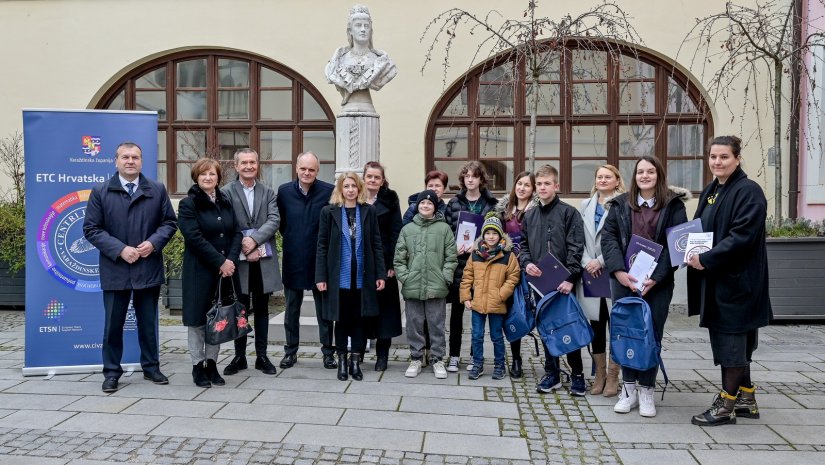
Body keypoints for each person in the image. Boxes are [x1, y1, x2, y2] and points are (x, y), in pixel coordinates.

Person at [687, 136, 771, 426]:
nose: (717, 162)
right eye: (713, 157)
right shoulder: (712, 190)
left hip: (739, 284)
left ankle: (726, 407)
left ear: (737, 159)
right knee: (730, 343)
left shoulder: (749, 191)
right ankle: (747, 398)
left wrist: (705, 258)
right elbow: (699, 229)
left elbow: (741, 238)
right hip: (717, 283)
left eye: (724, 157)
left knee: (733, 346)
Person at [84, 142, 177, 393]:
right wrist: (120, 250)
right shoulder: (101, 191)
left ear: (141, 161)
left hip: (148, 267)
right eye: (125, 157)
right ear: (115, 161)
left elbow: (169, 222)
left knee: (148, 323)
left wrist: (153, 243)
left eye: (135, 157)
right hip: (116, 269)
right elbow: (91, 229)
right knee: (113, 324)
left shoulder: (156, 190)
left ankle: (151, 367)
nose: (130, 161)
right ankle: (112, 372)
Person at [601, 155, 688, 417]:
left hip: (657, 284)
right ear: (634, 176)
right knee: (627, 332)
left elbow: (678, 244)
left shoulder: (673, 206)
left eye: (650, 171)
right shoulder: (619, 205)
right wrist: (618, 271)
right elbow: (608, 239)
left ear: (659, 175)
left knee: (651, 335)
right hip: (624, 281)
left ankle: (646, 390)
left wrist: (658, 277)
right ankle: (628, 390)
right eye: (640, 172)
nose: (645, 176)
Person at [518, 165, 586, 396]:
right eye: (539, 184)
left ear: (556, 186)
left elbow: (576, 247)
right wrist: (526, 263)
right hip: (540, 281)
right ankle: (552, 373)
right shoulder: (530, 215)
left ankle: (577, 374)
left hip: (564, 283)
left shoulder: (569, 213)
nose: (543, 187)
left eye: (547, 183)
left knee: (569, 325)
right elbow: (524, 245)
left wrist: (571, 278)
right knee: (547, 327)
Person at [178, 158, 242, 388]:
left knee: (218, 319)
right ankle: (197, 366)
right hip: (199, 272)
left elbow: (236, 233)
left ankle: (212, 365)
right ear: (196, 177)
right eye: (203, 174)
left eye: (212, 174)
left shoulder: (226, 201)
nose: (208, 178)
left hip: (224, 272)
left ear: (218, 178)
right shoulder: (188, 204)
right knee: (197, 321)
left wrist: (230, 261)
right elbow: (194, 238)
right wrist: (220, 261)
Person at [316, 172, 386, 381]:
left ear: (359, 189)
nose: (350, 190)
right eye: (346, 186)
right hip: (338, 277)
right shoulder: (329, 212)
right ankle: (343, 362)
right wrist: (321, 277)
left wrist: (380, 273)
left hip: (362, 276)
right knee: (341, 320)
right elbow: (322, 245)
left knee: (359, 320)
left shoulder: (368, 211)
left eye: (354, 186)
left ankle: (356, 362)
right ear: (340, 189)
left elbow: (376, 244)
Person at [221, 148, 283, 376]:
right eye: (244, 163)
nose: (249, 166)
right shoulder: (226, 192)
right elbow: (227, 222)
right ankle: (239, 357)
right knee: (240, 309)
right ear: (236, 166)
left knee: (263, 309)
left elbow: (274, 219)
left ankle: (262, 356)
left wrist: (254, 241)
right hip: (239, 261)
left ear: (258, 165)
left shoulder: (268, 192)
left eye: (253, 162)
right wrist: (244, 245)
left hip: (263, 260)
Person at [277, 152, 336, 369]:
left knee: (324, 313)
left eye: (311, 169)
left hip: (320, 262)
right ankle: (290, 351)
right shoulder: (284, 192)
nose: (307, 173)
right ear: (296, 168)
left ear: (317, 170)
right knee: (291, 310)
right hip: (293, 259)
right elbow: (281, 224)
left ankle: (328, 353)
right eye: (303, 168)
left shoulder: (329, 191)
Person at [394, 190, 457, 379]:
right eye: (422, 204)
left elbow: (451, 257)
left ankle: (437, 359)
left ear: (435, 207)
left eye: (429, 204)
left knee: (436, 323)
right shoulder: (407, 230)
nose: (425, 206)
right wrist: (405, 277)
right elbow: (399, 259)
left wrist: (445, 277)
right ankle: (416, 357)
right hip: (413, 285)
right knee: (414, 323)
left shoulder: (444, 229)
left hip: (436, 286)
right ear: (417, 206)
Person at [576, 165, 626, 396]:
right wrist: (588, 261)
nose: (603, 180)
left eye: (608, 177)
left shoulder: (623, 204)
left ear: (617, 181)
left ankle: (614, 376)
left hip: (613, 271)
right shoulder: (585, 205)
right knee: (596, 325)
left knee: (616, 324)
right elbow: (579, 237)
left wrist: (602, 260)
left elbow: (623, 240)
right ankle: (600, 374)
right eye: (599, 177)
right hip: (590, 273)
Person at [444, 161, 498, 373]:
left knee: (480, 312)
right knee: (457, 314)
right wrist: (453, 248)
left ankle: (477, 356)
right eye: (467, 176)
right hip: (460, 265)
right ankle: (454, 356)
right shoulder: (454, 203)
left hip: (483, 265)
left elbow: (496, 232)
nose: (470, 179)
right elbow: (447, 231)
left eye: (474, 176)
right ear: (462, 180)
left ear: (481, 179)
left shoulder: (491, 204)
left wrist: (483, 247)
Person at [460, 214, 521, 380]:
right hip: (477, 302)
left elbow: (513, 276)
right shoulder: (475, 254)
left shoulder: (508, 256)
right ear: (483, 235)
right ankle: (478, 363)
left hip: (497, 302)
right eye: (488, 233)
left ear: (500, 235)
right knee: (477, 335)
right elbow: (467, 276)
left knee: (496, 335)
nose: (491, 236)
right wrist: (466, 296)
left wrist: (501, 294)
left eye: (495, 233)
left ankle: (500, 364)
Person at [494, 171, 539, 378]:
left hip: (531, 267)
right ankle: (516, 358)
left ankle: (551, 362)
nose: (522, 188)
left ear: (533, 190)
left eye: (527, 185)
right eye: (519, 184)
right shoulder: (504, 210)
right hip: (509, 267)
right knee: (513, 312)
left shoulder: (536, 210)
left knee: (534, 310)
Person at [363, 161, 402, 371]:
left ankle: (382, 354)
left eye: (377, 177)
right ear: (364, 178)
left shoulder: (390, 200)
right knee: (360, 310)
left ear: (382, 180)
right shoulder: (355, 197)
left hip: (384, 262)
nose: (372, 180)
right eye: (369, 176)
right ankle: (358, 351)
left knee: (384, 312)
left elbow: (397, 231)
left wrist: (392, 263)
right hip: (359, 264)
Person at [325, 4, 397, 110]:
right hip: (348, 109)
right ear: (350, 31)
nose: (363, 29)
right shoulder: (338, 61)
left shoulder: (383, 63)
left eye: (366, 26)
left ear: (371, 30)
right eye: (358, 25)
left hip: (367, 107)